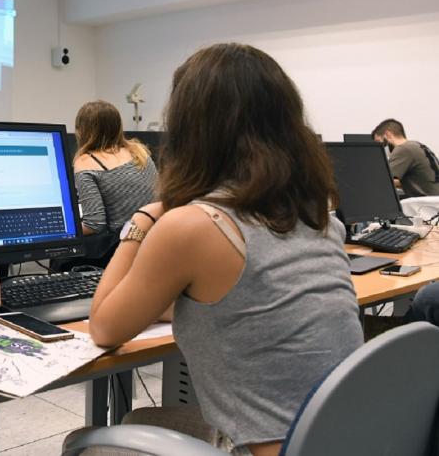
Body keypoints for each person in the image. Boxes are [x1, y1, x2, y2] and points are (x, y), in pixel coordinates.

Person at [85, 44, 363, 456]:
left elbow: (104, 328)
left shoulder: (193, 226)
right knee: (139, 420)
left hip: (266, 449)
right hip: (344, 437)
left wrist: (142, 220)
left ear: (190, 130)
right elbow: (242, 300)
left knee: (87, 443)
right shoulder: (317, 215)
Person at [64, 100, 157, 268]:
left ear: (81, 129)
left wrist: (61, 229)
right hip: (155, 236)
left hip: (124, 245)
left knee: (62, 256)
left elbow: (94, 224)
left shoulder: (85, 162)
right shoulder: (139, 151)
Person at [371, 118, 439, 197]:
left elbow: (383, 179)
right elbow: (419, 180)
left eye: (380, 142)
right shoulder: (416, 145)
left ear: (388, 134)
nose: (381, 147)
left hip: (426, 203)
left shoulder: (402, 149)